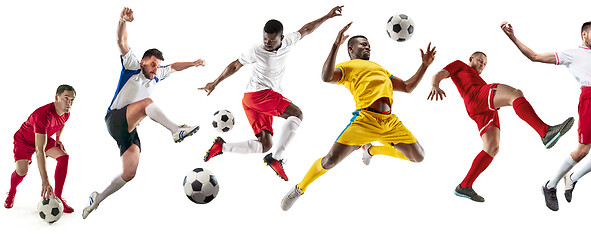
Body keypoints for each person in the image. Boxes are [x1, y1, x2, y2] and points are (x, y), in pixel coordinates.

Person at [280, 22, 436, 211]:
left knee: (418, 157)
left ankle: (371, 151)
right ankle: (299, 188)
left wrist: (424, 65)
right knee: (329, 160)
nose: (367, 46)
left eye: (369, 44)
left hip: (390, 123)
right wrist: (335, 46)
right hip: (365, 122)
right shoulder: (348, 66)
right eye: (363, 44)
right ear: (351, 49)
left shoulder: (381, 69)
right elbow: (326, 77)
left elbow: (408, 87)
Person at [82, 7, 205, 219]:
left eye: (158, 66)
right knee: (147, 102)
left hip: (129, 129)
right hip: (115, 119)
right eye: (153, 65)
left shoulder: (157, 74)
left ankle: (97, 199)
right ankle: (176, 130)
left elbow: (174, 66)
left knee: (129, 173)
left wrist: (193, 64)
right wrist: (123, 20)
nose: (156, 70)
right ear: (143, 62)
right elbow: (121, 42)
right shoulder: (132, 67)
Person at [199, 6, 344, 181]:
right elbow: (235, 65)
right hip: (258, 95)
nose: (267, 43)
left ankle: (222, 147)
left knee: (265, 144)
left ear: (281, 38)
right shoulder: (256, 50)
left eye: (271, 40)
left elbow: (306, 30)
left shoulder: (288, 42)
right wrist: (215, 82)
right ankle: (276, 158)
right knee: (297, 114)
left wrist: (327, 16)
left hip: (255, 100)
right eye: (265, 39)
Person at [502, 21, 591, 211]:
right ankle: (550, 185)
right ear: (584, 34)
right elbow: (534, 56)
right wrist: (512, 37)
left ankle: (572, 178)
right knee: (583, 150)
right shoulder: (572, 54)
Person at [428, 52, 574, 202]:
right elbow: (439, 73)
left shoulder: (480, 80)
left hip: (481, 110)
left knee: (492, 148)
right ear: (470, 59)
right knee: (515, 94)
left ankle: (465, 186)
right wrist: (435, 85)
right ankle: (545, 132)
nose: (481, 65)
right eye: (479, 60)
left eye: (484, 64)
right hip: (476, 96)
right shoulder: (460, 65)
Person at [5, 85, 76, 213]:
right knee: (22, 172)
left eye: (72, 99)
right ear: (56, 97)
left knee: (64, 157)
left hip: (43, 137)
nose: (69, 102)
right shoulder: (44, 115)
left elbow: (61, 123)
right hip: (24, 141)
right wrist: (45, 181)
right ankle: (11, 192)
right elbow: (39, 150)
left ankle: (58, 198)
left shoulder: (66, 112)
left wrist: (58, 139)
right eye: (66, 98)